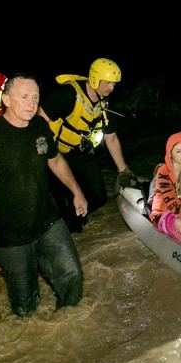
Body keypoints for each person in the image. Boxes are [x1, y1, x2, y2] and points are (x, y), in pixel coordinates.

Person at [0, 74, 87, 317]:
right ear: (7, 99)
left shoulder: (41, 126)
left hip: (48, 221)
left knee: (72, 278)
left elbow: (55, 160)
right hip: (11, 238)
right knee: (25, 308)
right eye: (24, 97)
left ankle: (70, 335)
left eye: (35, 98)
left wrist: (77, 191)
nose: (31, 104)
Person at [41, 58, 133, 232]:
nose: (112, 88)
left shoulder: (104, 101)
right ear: (94, 79)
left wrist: (123, 170)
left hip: (80, 152)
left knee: (99, 197)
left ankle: (76, 213)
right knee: (62, 201)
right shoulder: (68, 94)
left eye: (114, 84)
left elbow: (111, 137)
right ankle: (64, 225)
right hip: (55, 154)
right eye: (108, 83)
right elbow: (40, 119)